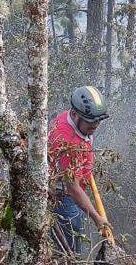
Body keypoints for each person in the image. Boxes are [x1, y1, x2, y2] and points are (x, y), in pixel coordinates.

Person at [49, 86, 116, 255]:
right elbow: (73, 188)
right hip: (64, 198)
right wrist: (97, 218)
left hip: (72, 187)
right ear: (74, 114)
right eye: (90, 121)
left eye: (98, 121)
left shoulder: (71, 118)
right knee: (70, 242)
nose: (95, 125)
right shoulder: (67, 142)